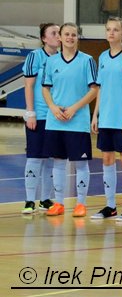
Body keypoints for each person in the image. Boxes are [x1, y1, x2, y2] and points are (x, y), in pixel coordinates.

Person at [41, 23, 97, 217]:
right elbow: (45, 88)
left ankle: (80, 203)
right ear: (60, 38)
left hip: (78, 120)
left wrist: (74, 108)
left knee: (80, 163)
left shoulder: (87, 61)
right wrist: (53, 108)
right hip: (55, 119)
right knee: (58, 161)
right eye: (66, 34)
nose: (70, 38)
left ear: (77, 38)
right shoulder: (51, 62)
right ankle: (59, 203)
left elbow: (94, 89)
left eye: (73, 35)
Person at [90, 18, 122, 221]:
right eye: (108, 30)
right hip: (106, 118)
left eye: (115, 30)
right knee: (107, 159)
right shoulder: (102, 57)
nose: (111, 33)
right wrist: (96, 115)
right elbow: (100, 88)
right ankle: (110, 206)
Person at [21, 23, 60, 214]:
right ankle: (29, 200)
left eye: (59, 33)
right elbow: (28, 86)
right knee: (35, 157)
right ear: (44, 38)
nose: (58, 36)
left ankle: (45, 198)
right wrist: (30, 112)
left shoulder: (63, 58)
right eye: (54, 33)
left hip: (56, 117)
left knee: (50, 159)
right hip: (39, 115)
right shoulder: (35, 57)